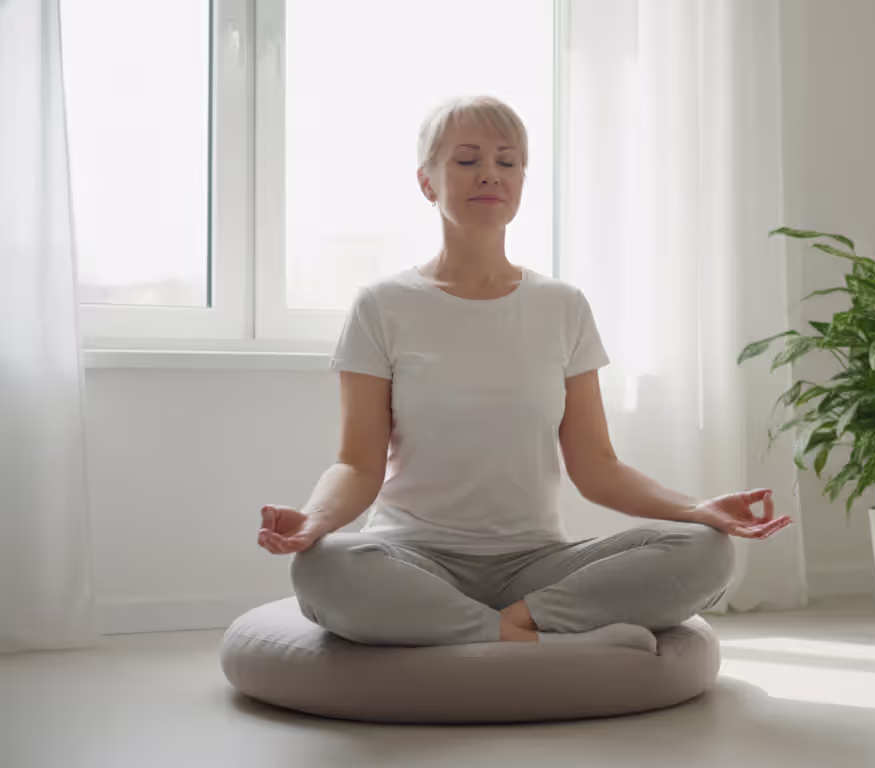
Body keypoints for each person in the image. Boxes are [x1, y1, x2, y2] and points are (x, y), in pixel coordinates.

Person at [255, 95, 792, 653]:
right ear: (427, 182)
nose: (490, 173)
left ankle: (500, 623)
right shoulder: (382, 305)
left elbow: (597, 467)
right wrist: (315, 520)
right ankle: (532, 634)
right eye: (466, 160)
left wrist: (696, 509)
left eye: (507, 162)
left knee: (706, 550)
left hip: (536, 565)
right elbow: (357, 464)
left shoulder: (563, 306)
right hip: (413, 558)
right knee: (324, 568)